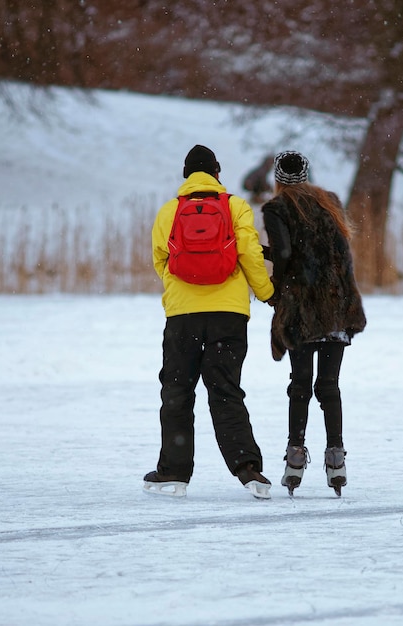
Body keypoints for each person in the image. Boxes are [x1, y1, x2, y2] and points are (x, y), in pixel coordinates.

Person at [143, 144, 276, 499]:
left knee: (177, 391)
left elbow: (161, 260)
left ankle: (173, 474)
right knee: (225, 389)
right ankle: (249, 470)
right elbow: (248, 251)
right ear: (217, 173)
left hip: (182, 315)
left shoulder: (169, 211)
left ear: (186, 174)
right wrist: (266, 292)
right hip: (229, 314)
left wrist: (180, 288)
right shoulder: (235, 206)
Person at [261, 151, 367, 496]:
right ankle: (336, 459)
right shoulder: (330, 201)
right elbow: (343, 255)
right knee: (329, 386)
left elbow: (285, 256)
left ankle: (295, 456)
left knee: (300, 385)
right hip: (337, 305)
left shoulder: (277, 209)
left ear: (277, 179)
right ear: (307, 174)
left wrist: (262, 256)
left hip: (303, 308)